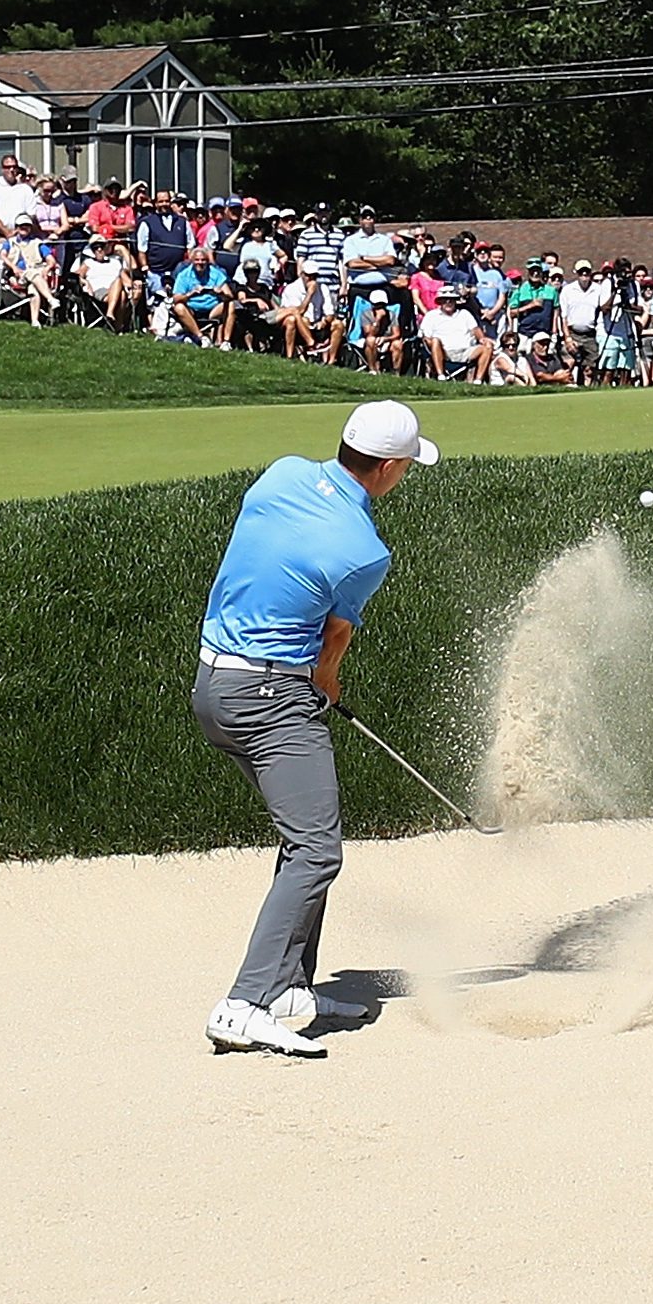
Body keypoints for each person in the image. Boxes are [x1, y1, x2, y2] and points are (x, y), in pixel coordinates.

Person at [191, 397, 437, 1059]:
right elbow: (334, 637)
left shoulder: (281, 472)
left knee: (305, 835)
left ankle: (289, 987)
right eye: (406, 465)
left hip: (213, 684)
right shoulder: (365, 550)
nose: (405, 475)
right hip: (269, 695)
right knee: (318, 851)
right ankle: (242, 1003)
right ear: (386, 467)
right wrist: (325, 682)